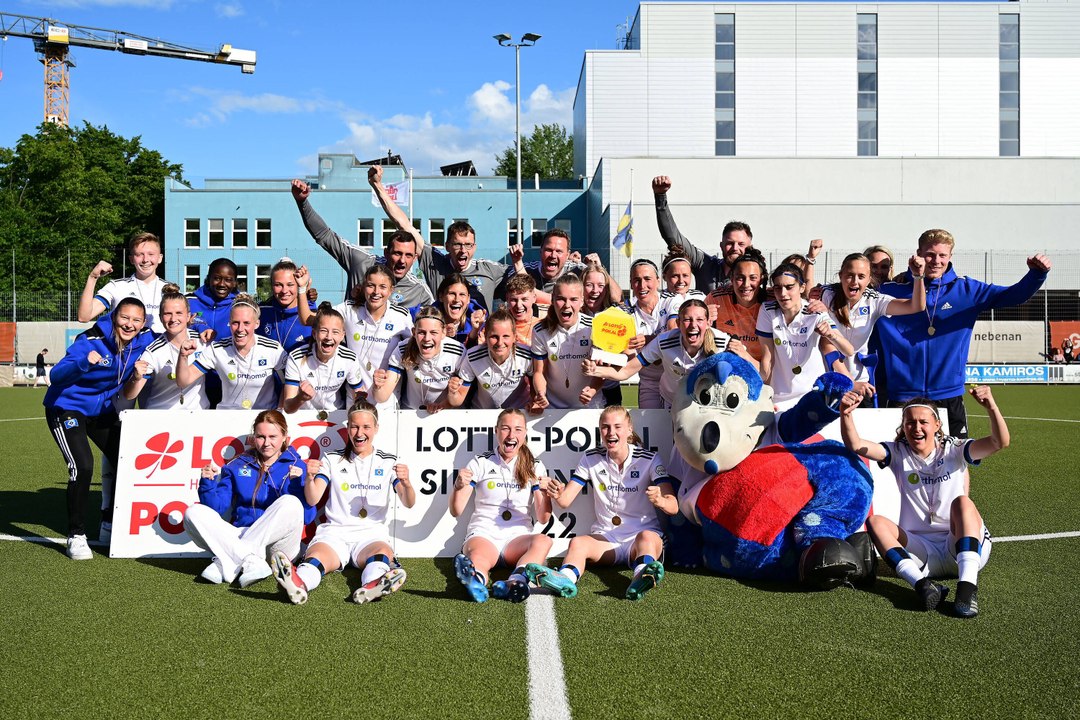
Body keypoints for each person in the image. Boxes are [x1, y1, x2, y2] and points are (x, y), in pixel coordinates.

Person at [839, 386, 1009, 618]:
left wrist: (991, 406)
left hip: (958, 544)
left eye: (923, 422)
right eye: (910, 423)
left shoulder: (955, 449)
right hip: (921, 551)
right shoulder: (898, 452)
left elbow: (1000, 442)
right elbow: (856, 444)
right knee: (876, 522)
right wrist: (846, 414)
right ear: (903, 426)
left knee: (962, 503)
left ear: (937, 425)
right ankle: (923, 586)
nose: (916, 428)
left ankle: (967, 589)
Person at [877, 229, 1051, 437]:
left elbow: (1012, 295)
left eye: (942, 255)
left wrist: (1036, 274)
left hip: (948, 394)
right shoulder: (890, 291)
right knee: (894, 464)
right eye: (930, 254)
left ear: (950, 257)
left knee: (955, 464)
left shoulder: (967, 290)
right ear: (918, 253)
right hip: (902, 394)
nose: (936, 261)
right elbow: (850, 298)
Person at [525, 406, 678, 601]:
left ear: (629, 429)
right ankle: (565, 579)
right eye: (605, 427)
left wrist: (661, 500)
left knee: (647, 538)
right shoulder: (591, 457)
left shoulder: (649, 458)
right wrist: (556, 492)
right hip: (606, 539)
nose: (611, 433)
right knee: (578, 543)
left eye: (617, 427)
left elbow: (673, 507)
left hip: (639, 537)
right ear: (600, 431)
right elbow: (565, 501)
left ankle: (642, 575)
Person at [271, 400, 415, 605]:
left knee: (381, 555)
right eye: (354, 426)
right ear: (347, 428)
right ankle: (298, 583)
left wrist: (407, 483)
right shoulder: (331, 459)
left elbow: (408, 502)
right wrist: (310, 478)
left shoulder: (388, 461)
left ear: (376, 429)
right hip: (334, 533)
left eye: (366, 427)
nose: (359, 433)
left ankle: (372, 585)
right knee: (315, 559)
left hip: (370, 535)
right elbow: (313, 498)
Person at [44, 297, 155, 559]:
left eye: (136, 320)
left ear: (143, 324)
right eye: (125, 318)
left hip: (102, 411)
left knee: (129, 461)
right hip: (67, 408)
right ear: (115, 316)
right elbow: (56, 376)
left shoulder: (144, 342)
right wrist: (84, 363)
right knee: (82, 466)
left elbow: (173, 332)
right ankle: (76, 535)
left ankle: (109, 522)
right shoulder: (91, 340)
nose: (129, 325)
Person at [185, 410, 314, 587]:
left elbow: (306, 516)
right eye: (261, 437)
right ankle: (251, 561)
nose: (266, 443)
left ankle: (225, 562)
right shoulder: (237, 464)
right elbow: (216, 509)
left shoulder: (298, 465)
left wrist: (298, 485)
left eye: (273, 436)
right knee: (193, 512)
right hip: (240, 534)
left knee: (290, 503)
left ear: (285, 437)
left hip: (279, 546)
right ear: (254, 437)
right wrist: (208, 483)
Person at [369, 165, 520, 311]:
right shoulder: (435, 262)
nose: (463, 251)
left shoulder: (488, 269)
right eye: (457, 245)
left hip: (477, 336)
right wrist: (377, 186)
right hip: (443, 335)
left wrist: (518, 262)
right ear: (447, 246)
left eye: (468, 245)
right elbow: (405, 225)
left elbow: (523, 287)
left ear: (474, 247)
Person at [449, 409, 557, 603]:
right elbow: (456, 510)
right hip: (484, 533)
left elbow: (543, 518)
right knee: (479, 558)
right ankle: (476, 581)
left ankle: (514, 583)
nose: (511, 435)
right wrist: (458, 486)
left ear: (524, 434)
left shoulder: (534, 465)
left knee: (544, 541)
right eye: (505, 429)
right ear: (496, 431)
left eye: (517, 429)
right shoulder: (480, 462)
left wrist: (546, 494)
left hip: (517, 537)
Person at [292, 177, 433, 309]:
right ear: (386, 253)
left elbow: (438, 321)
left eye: (408, 255)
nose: (402, 260)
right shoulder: (362, 262)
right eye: (397, 253)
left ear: (415, 258)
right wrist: (302, 202)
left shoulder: (419, 291)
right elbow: (324, 235)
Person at [584, 299, 746, 410]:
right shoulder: (664, 342)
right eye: (687, 320)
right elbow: (627, 371)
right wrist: (595, 370)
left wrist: (743, 354)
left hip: (706, 405)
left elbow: (749, 371)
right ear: (678, 323)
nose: (693, 325)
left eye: (699, 320)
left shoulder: (723, 342)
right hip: (671, 403)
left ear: (708, 323)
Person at [295, 264, 412, 413]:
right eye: (371, 285)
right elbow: (307, 319)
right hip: (354, 401)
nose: (376, 292)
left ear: (391, 290)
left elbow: (416, 347)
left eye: (383, 287)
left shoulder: (401, 316)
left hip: (387, 403)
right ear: (363, 287)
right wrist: (301, 289)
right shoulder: (349, 310)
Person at [821, 253, 926, 406]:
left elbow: (916, 306)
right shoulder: (826, 295)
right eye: (850, 275)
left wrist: (918, 277)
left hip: (859, 385)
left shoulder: (874, 300)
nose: (855, 281)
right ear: (840, 276)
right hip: (828, 383)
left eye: (861, 276)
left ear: (869, 279)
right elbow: (826, 345)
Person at [756, 263, 854, 409]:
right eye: (778, 287)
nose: (782, 294)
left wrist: (831, 334)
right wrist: (763, 395)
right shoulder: (767, 310)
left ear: (802, 288)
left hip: (812, 395)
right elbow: (767, 359)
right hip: (779, 398)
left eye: (789, 287)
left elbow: (849, 350)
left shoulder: (815, 311)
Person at [176, 294, 287, 410]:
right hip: (228, 419)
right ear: (229, 322)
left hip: (263, 420)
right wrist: (183, 356)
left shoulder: (272, 349)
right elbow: (183, 381)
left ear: (257, 324)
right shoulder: (218, 349)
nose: (240, 329)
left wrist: (279, 410)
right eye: (235, 323)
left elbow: (290, 384)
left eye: (246, 323)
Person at [651, 175, 752, 292]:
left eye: (741, 244)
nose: (735, 248)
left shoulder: (756, 275)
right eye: (730, 243)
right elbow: (674, 239)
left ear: (750, 247)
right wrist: (660, 197)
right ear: (721, 245)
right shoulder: (705, 265)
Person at [122, 284, 210, 410]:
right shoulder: (153, 351)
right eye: (167, 314)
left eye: (179, 313)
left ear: (188, 316)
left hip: (196, 416)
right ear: (160, 318)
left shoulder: (203, 342)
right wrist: (136, 378)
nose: (173, 319)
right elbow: (130, 395)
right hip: (162, 415)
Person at [529, 274, 603, 411]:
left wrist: (591, 390)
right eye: (561, 299)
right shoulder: (540, 331)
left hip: (590, 407)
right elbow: (539, 371)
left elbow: (601, 369)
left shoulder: (594, 326)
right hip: (553, 407)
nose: (567, 305)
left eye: (573, 299)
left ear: (582, 301)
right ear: (552, 299)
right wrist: (540, 393)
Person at [372, 306, 466, 412]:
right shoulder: (403, 348)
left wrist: (442, 404)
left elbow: (459, 398)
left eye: (433, 332)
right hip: (411, 414)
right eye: (421, 332)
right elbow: (381, 397)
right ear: (413, 332)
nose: (427, 338)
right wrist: (378, 386)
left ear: (443, 332)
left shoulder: (457, 351)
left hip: (446, 413)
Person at [281, 304, 364, 414]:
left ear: (342, 335)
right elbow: (288, 407)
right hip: (303, 417)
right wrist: (301, 397)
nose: (329, 337)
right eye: (324, 330)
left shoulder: (349, 358)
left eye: (335, 332)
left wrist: (362, 401)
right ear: (314, 333)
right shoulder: (296, 357)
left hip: (336, 415)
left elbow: (358, 393)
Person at [78, 232, 166, 334]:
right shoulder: (117, 287)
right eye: (139, 254)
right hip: (125, 349)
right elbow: (83, 317)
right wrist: (93, 277)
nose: (145, 259)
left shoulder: (170, 290)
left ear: (160, 258)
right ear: (131, 259)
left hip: (160, 349)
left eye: (151, 254)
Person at [449, 309, 533, 410]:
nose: (500, 343)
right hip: (484, 414)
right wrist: (453, 391)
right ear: (485, 336)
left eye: (506, 336)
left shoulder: (526, 355)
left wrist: (537, 400)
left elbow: (535, 390)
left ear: (514, 337)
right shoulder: (473, 357)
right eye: (494, 337)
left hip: (518, 413)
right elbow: (456, 401)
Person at [706, 249, 768, 366]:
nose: (746, 284)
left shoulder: (772, 299)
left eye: (753, 278)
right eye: (740, 278)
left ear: (762, 279)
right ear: (732, 278)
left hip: (763, 372)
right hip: (728, 368)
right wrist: (702, 317)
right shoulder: (717, 298)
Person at [258, 258, 315, 352]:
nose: (284, 291)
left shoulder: (311, 313)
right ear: (271, 286)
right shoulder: (261, 312)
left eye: (290, 285)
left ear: (298, 284)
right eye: (278, 285)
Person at [186, 258, 239, 342]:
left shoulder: (240, 305)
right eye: (217, 278)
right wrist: (199, 325)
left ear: (235, 282)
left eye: (228, 280)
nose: (222, 284)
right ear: (208, 278)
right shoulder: (189, 302)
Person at [433, 273, 486, 348]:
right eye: (452, 294)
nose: (457, 299)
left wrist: (474, 332)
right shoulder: (426, 320)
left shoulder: (479, 324)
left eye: (462, 294)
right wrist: (438, 334)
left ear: (468, 299)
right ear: (441, 296)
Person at [503, 273, 539, 349]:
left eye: (524, 299)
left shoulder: (545, 323)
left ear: (534, 298)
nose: (519, 305)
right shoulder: (497, 324)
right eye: (514, 300)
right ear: (507, 298)